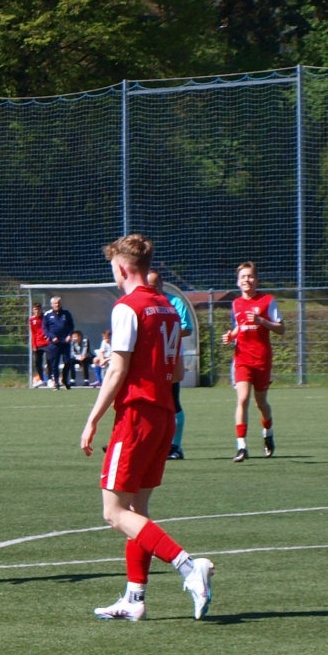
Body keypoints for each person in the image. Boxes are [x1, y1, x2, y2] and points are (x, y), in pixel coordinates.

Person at [81, 233, 216, 621]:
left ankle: (189, 567)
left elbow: (117, 371)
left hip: (136, 418)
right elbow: (177, 371)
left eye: (113, 268)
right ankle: (134, 599)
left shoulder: (128, 307)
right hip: (163, 416)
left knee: (114, 512)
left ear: (123, 268)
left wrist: (92, 419)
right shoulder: (168, 308)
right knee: (137, 511)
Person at [222, 260, 281, 460]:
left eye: (250, 276)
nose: (246, 280)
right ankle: (242, 446)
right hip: (242, 358)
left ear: (257, 280)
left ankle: (268, 433)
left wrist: (261, 321)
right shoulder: (236, 303)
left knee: (261, 403)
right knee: (243, 398)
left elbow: (281, 328)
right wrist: (230, 336)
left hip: (262, 359)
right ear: (238, 282)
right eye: (243, 277)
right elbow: (239, 327)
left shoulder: (267, 301)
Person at [157, 273, 191, 458]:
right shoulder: (145, 303)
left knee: (172, 400)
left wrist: (166, 333)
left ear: (161, 284)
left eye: (155, 284)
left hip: (170, 356)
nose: (152, 288)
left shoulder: (175, 302)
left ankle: (175, 447)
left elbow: (187, 328)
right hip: (151, 358)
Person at [41, 296, 75, 389]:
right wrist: (52, 337)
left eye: (59, 303)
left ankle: (64, 379)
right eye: (55, 303)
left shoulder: (66, 313)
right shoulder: (48, 315)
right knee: (54, 364)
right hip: (54, 343)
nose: (57, 305)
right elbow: (45, 329)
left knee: (67, 362)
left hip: (65, 342)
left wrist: (69, 335)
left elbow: (71, 326)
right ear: (52, 304)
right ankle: (56, 382)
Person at [29, 303, 49, 387]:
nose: (37, 311)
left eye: (39, 309)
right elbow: (33, 333)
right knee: (37, 362)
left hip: (47, 343)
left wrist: (49, 337)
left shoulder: (46, 317)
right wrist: (34, 345)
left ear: (41, 310)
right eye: (35, 309)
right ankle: (41, 379)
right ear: (33, 310)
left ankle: (51, 379)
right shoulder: (32, 320)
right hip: (38, 344)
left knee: (50, 360)